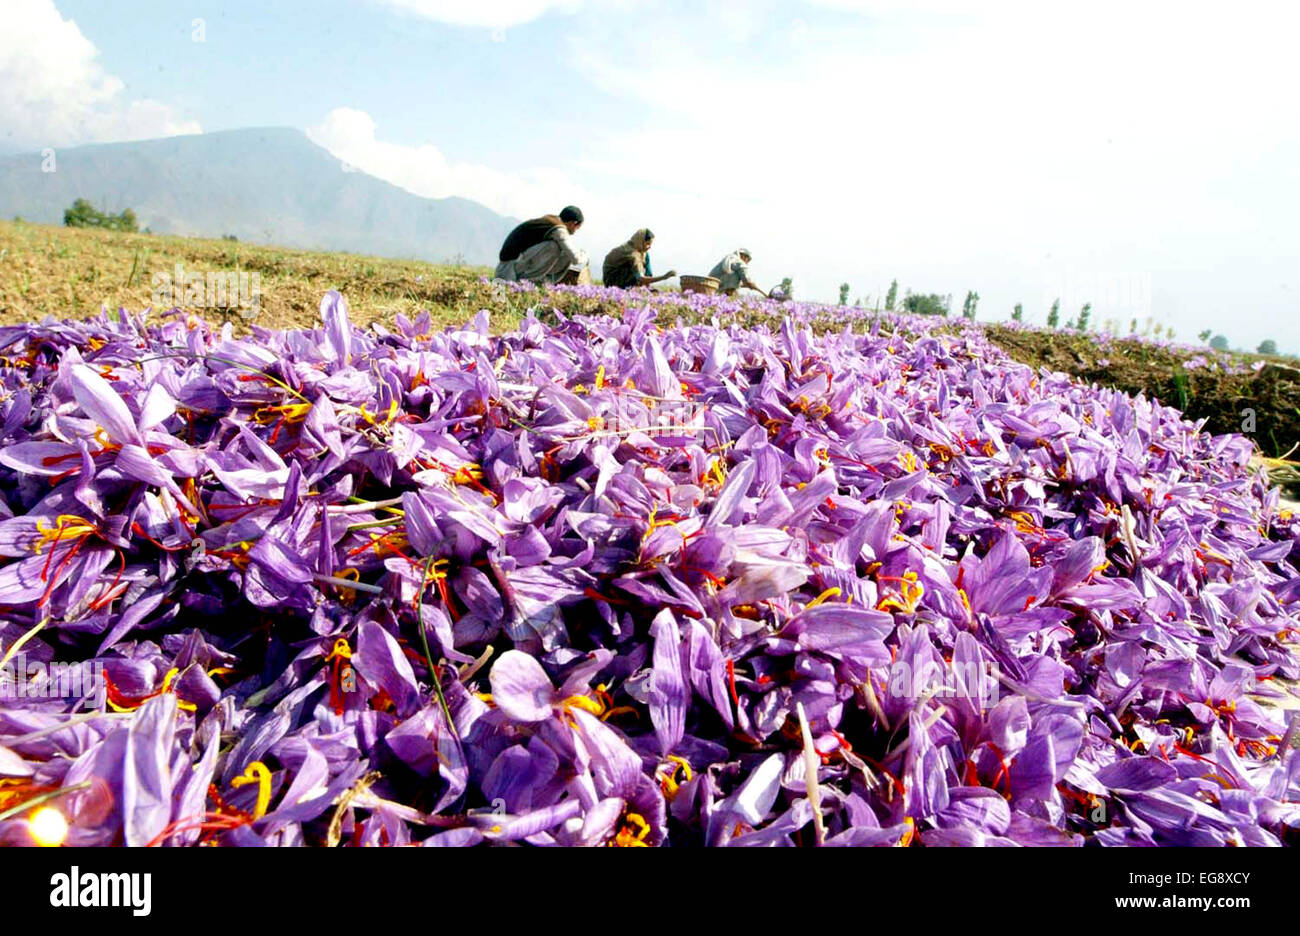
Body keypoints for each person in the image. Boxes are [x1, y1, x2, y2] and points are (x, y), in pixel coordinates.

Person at [494, 206, 589, 284]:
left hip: (511, 264)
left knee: (562, 250)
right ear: (573, 223)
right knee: (555, 247)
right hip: (510, 267)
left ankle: (536, 280)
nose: (576, 231)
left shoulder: (551, 221)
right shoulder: (559, 229)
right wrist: (585, 256)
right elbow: (576, 259)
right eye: (578, 227)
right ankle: (532, 281)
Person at [601, 228, 677, 289]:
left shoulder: (638, 249)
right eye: (647, 244)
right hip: (613, 281)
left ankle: (646, 287)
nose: (649, 247)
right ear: (640, 241)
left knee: (646, 256)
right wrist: (664, 277)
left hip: (623, 274)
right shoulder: (632, 254)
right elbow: (640, 278)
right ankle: (634, 288)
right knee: (637, 272)